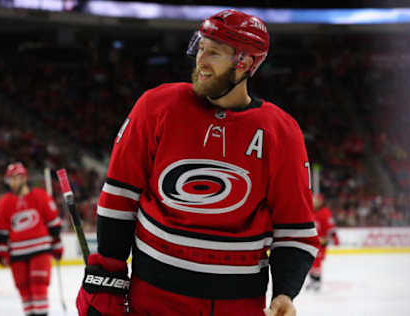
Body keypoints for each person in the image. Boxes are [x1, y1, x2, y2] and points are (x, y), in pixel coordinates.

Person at [77, 9, 319, 316]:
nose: (200, 60)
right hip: (153, 299)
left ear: (244, 62)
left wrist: (285, 291)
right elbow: (119, 198)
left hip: (238, 306)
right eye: (200, 47)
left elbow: (294, 227)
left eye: (214, 53)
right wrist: (107, 277)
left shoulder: (281, 132)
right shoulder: (157, 107)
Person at [0, 162, 63, 316]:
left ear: (24, 177)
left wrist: (57, 245)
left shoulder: (39, 196)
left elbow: (53, 225)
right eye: (10, 179)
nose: (13, 182)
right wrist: (2, 253)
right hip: (17, 253)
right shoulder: (5, 202)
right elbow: (2, 233)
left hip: (40, 249)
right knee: (23, 289)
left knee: (39, 287)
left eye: (16, 178)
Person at [306, 193, 339, 292]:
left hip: (321, 242)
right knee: (311, 262)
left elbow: (330, 227)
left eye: (316, 201)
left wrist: (334, 238)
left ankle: (317, 281)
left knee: (317, 262)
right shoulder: (311, 212)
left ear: (320, 202)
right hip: (311, 241)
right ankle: (313, 280)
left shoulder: (325, 212)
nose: (314, 202)